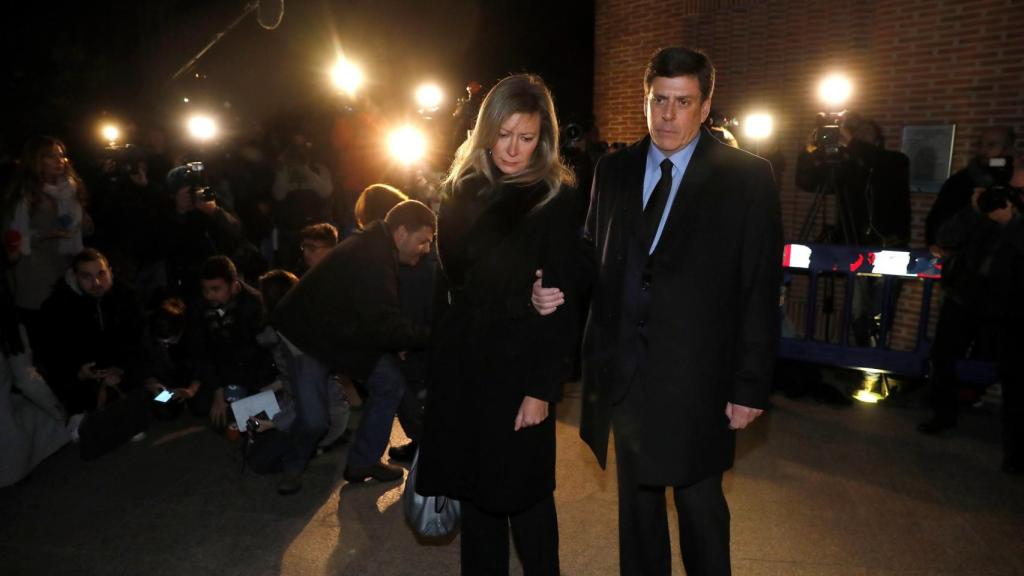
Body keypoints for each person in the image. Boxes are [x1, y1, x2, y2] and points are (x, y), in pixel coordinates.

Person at [577, 47, 783, 575]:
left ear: (706, 105)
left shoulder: (747, 177)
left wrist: (749, 386)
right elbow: (592, 257)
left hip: (700, 381)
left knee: (699, 508)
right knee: (638, 512)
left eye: (683, 102)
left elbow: (760, 287)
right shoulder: (614, 169)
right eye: (658, 100)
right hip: (627, 374)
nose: (668, 115)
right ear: (646, 101)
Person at [416, 74, 580, 576]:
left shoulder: (556, 197)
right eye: (504, 134)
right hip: (466, 367)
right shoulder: (460, 191)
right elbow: (457, 285)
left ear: (544, 138)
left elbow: (562, 302)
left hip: (519, 370)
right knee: (478, 499)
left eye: (526, 138)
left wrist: (540, 389)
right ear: (486, 129)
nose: (513, 149)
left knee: (527, 502)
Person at [271, 200, 435, 494]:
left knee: (389, 383)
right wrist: (431, 336)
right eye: (423, 241)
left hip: (340, 334)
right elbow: (384, 325)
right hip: (306, 336)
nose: (425, 249)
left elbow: (376, 318)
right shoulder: (373, 257)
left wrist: (399, 337)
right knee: (315, 420)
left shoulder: (377, 248)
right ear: (400, 233)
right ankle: (292, 467)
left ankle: (362, 462)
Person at [36, 248, 149, 460]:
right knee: (90, 420)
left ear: (110, 272)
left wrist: (121, 368)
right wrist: (80, 373)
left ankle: (149, 402)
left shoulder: (126, 296)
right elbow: (51, 355)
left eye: (101, 274)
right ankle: (87, 416)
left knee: (164, 400)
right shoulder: (56, 308)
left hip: (122, 374)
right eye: (86, 277)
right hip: (85, 380)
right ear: (75, 277)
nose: (96, 283)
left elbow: (139, 342)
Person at [1, 136, 92, 348]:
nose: (59, 160)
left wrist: (85, 224)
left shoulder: (70, 191)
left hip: (66, 270)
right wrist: (49, 235)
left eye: (61, 155)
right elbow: (13, 238)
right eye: (51, 156)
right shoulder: (25, 195)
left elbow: (80, 226)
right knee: (42, 340)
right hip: (35, 276)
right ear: (36, 160)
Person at [186, 255, 275, 427]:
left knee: (231, 417)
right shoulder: (199, 305)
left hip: (249, 370)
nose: (209, 295)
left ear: (234, 286)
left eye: (216, 289)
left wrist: (232, 390)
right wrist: (218, 391)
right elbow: (200, 350)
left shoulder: (254, 305)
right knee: (198, 406)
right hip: (219, 367)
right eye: (205, 290)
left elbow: (253, 353)